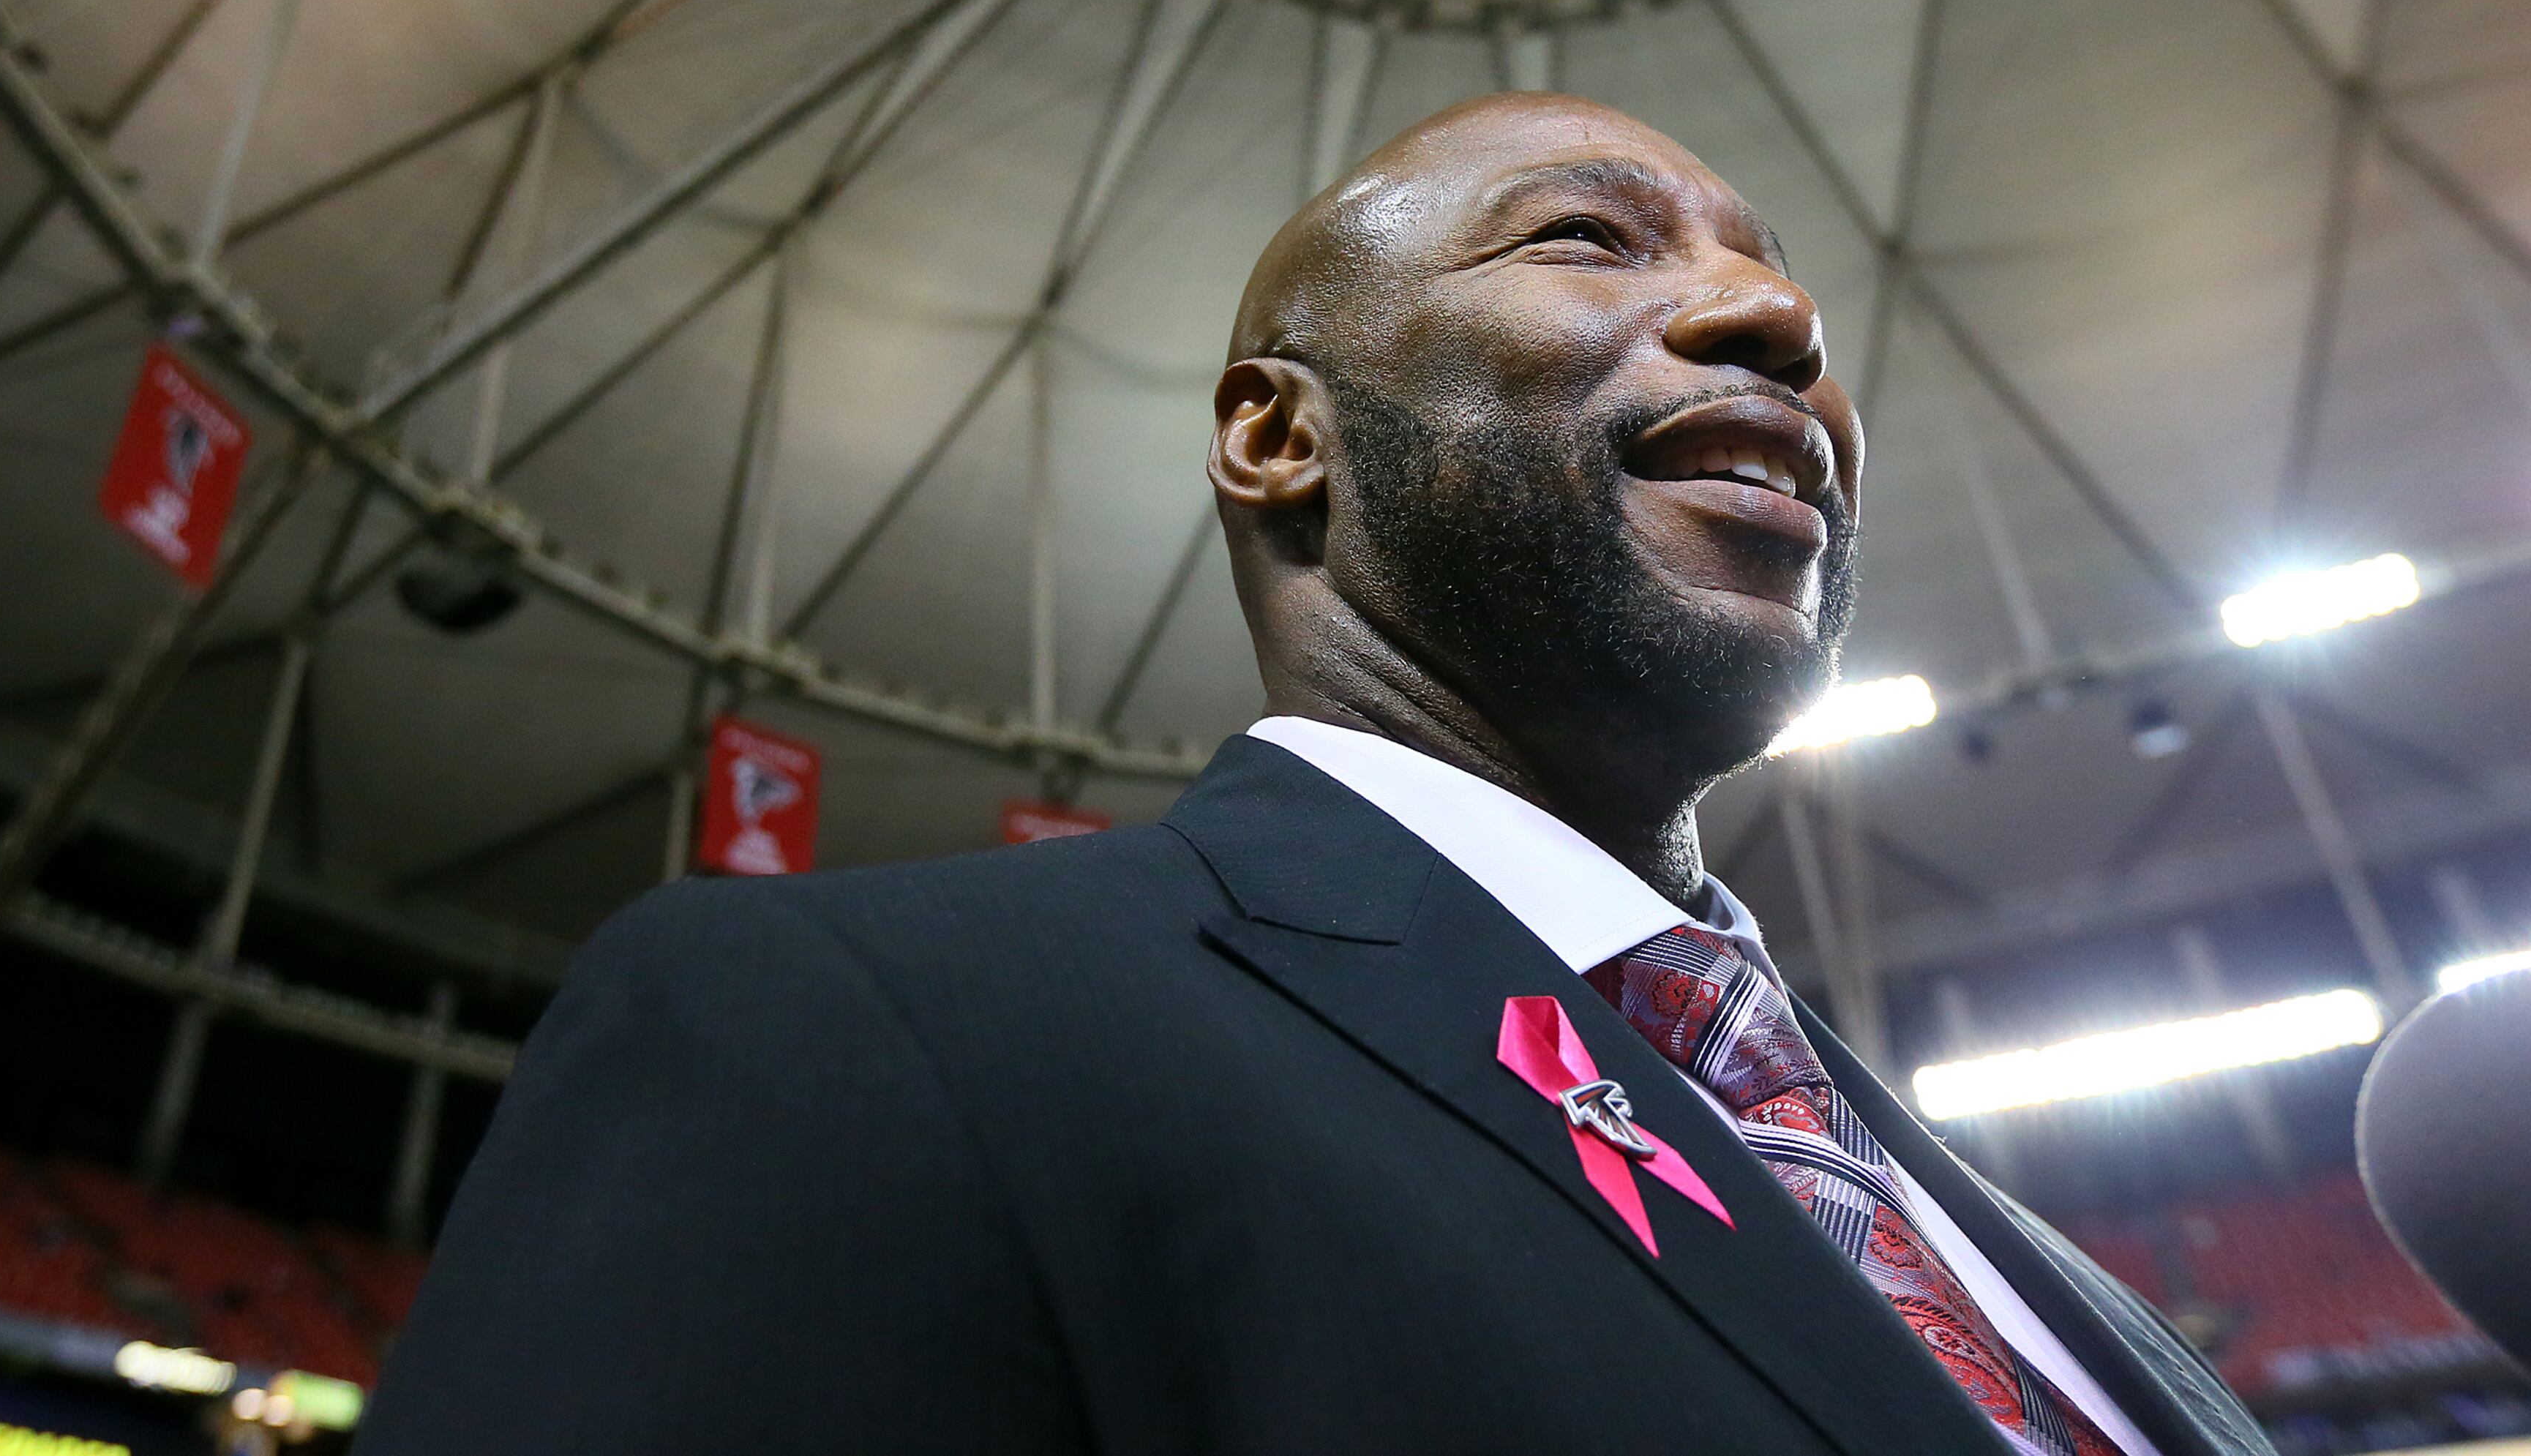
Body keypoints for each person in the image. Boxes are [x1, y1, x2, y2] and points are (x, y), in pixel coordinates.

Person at [359, 94, 2270, 1455]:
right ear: (1281, 435)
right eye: (1591, 239)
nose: (1779, 324)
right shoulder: (859, 1027)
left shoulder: (1989, 1239)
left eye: (1787, 292)